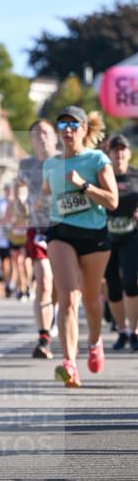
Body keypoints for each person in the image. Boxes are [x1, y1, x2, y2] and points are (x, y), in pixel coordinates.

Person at [42, 106, 118, 387]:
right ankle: (69, 364)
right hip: (60, 233)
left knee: (90, 300)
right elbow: (45, 195)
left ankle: (95, 342)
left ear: (85, 130)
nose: (68, 130)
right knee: (69, 297)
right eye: (62, 126)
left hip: (94, 237)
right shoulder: (50, 164)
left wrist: (84, 186)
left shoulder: (97, 159)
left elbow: (112, 201)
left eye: (74, 125)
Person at [18, 119, 58, 359]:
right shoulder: (26, 164)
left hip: (64, 228)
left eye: (45, 132)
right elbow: (21, 188)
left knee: (58, 287)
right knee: (43, 280)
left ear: (53, 136)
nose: (41, 137)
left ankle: (54, 312)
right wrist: (20, 201)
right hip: (38, 228)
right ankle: (43, 338)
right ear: (31, 139)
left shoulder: (64, 161)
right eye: (36, 134)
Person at [105, 134, 138, 350]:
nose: (119, 153)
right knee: (113, 286)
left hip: (132, 235)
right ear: (109, 154)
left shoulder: (136, 176)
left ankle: (134, 331)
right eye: (115, 150)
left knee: (130, 281)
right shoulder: (102, 175)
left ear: (129, 153)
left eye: (122, 149)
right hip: (106, 236)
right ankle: (122, 330)